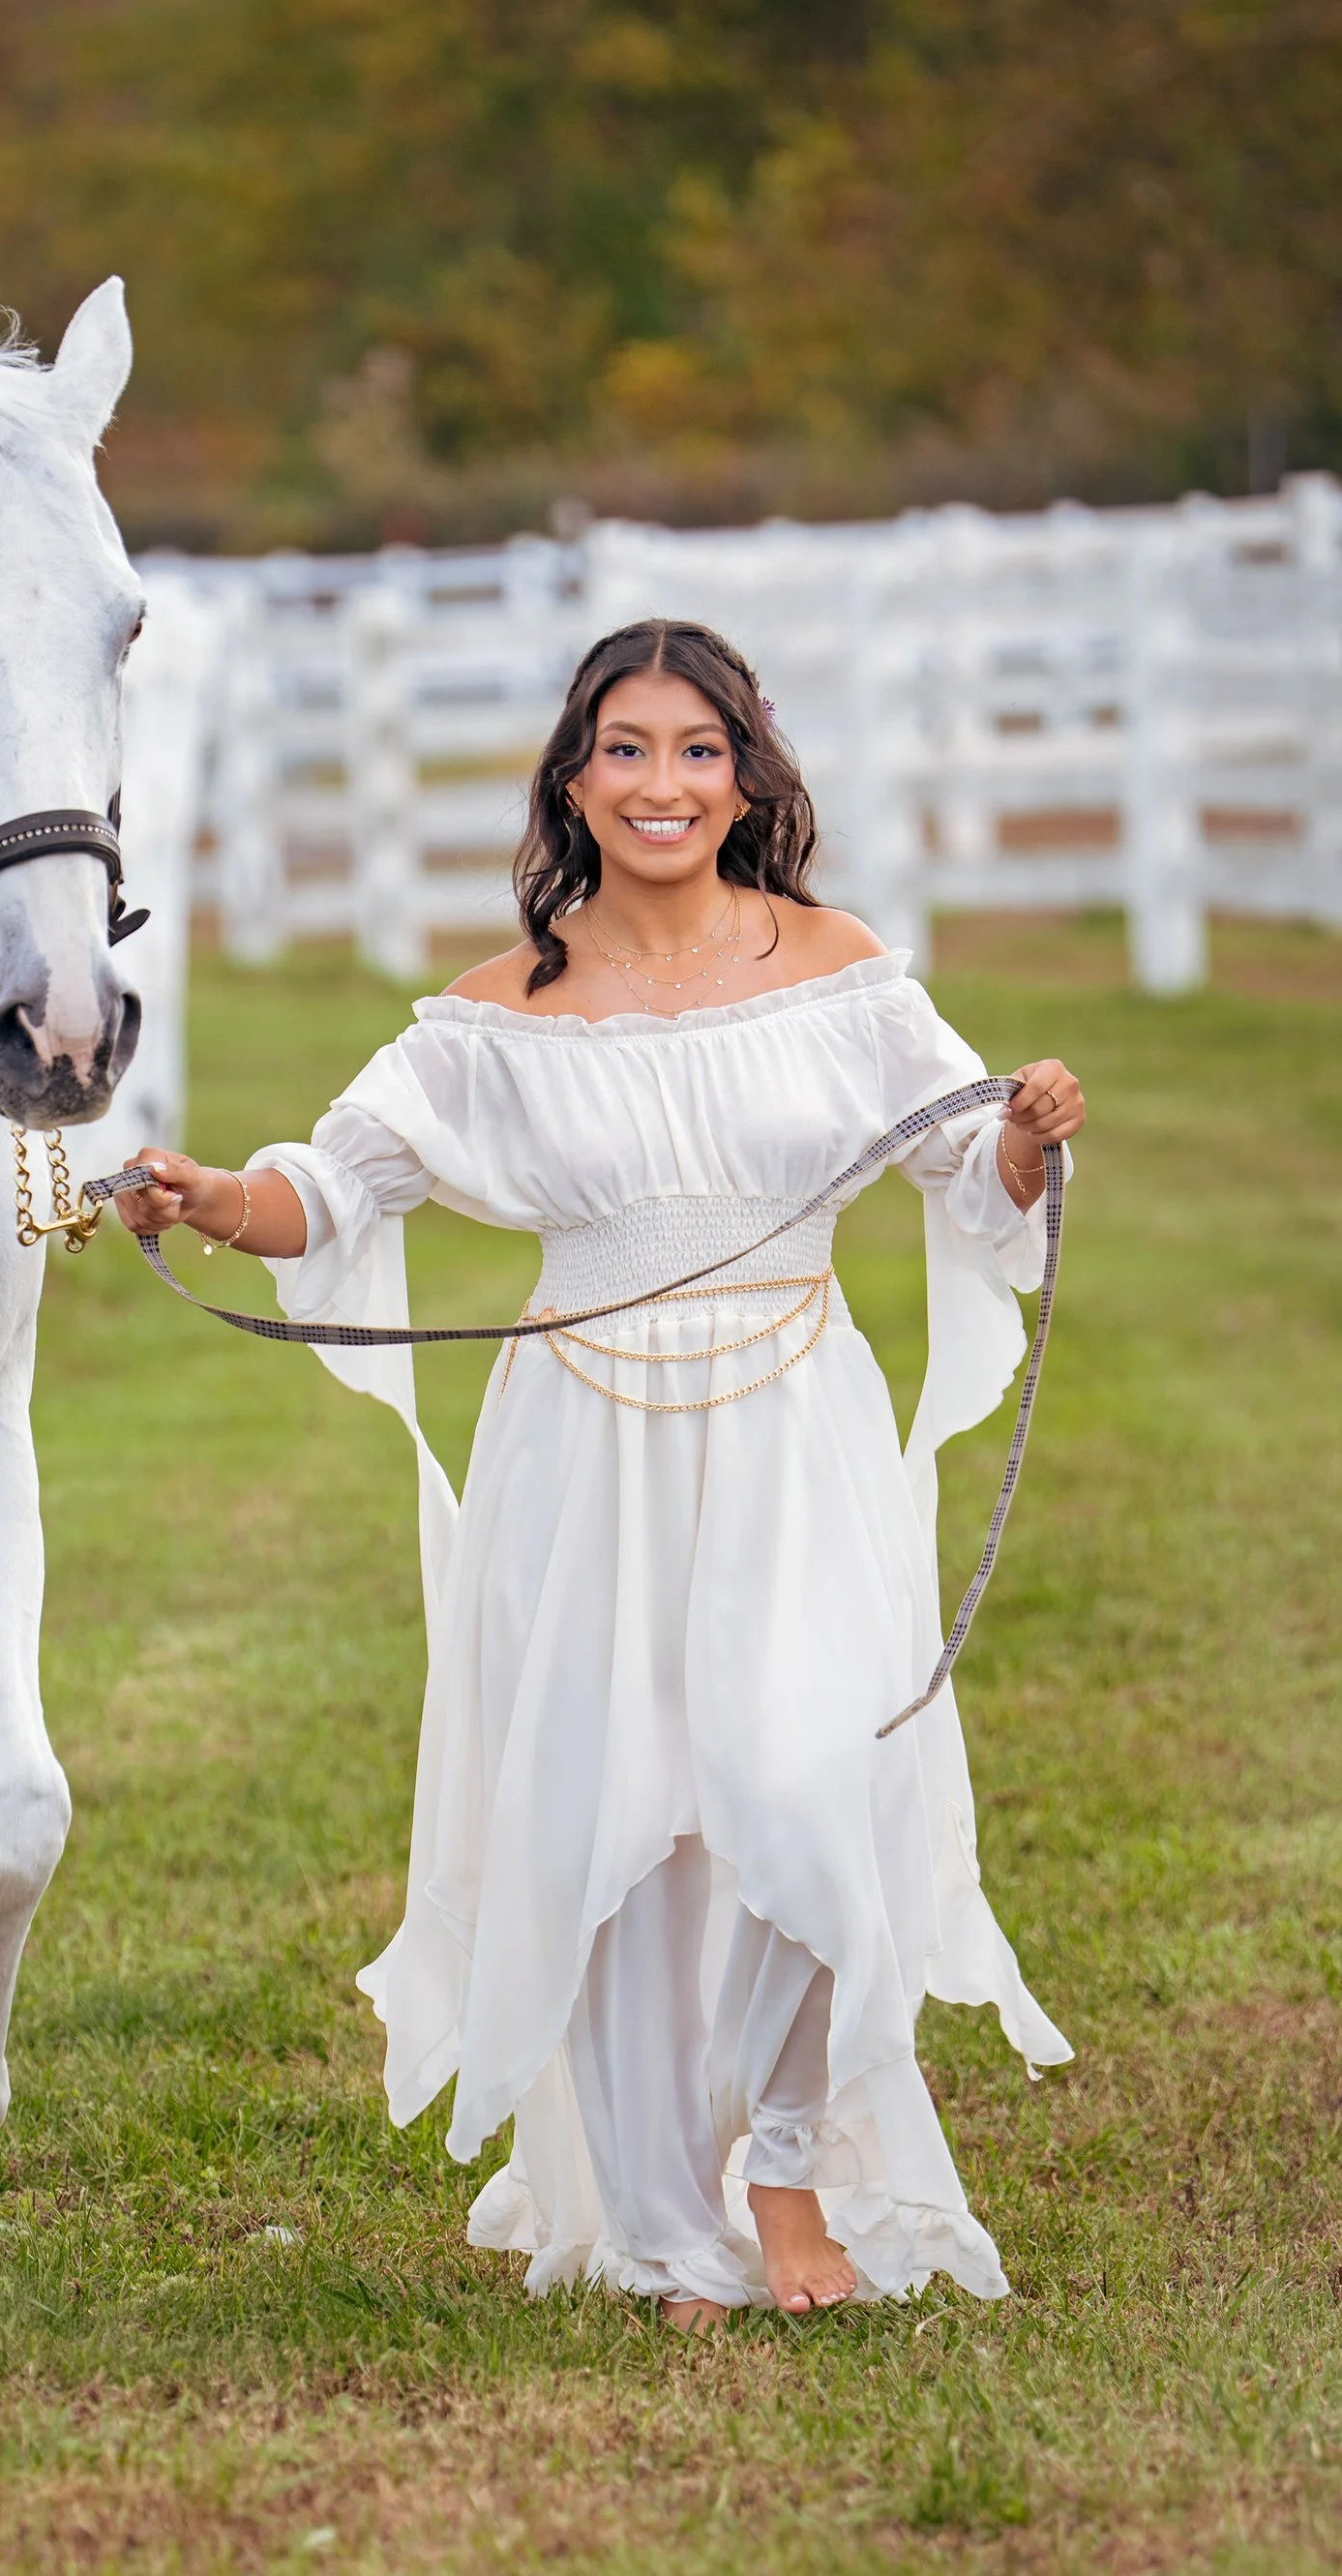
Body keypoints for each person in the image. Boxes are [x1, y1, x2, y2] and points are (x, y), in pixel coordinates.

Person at [121, 619, 1083, 2328]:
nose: (662, 784)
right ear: (574, 778)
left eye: (698, 750)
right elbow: (330, 1192)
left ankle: (785, 2160)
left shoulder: (839, 968)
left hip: (795, 1424)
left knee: (814, 1775)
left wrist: (1024, 1130)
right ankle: (656, 2220)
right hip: (585, 1444)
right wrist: (210, 1198)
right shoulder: (500, 1019)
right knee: (619, 1825)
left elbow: (967, 1175)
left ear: (746, 778)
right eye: (626, 749)